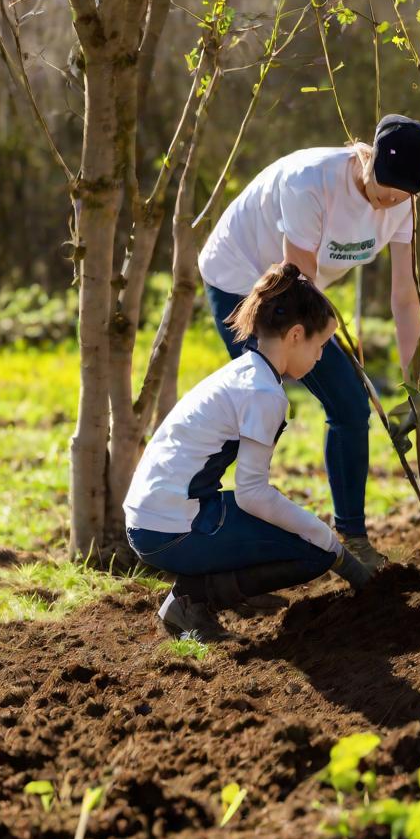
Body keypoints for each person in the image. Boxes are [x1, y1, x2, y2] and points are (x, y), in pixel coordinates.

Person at [198, 115, 420, 569]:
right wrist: (330, 339)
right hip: (243, 277)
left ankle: (352, 535)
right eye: (383, 189)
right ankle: (213, 545)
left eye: (401, 197)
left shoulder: (404, 202)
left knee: (349, 405)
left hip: (301, 291)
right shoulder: (312, 181)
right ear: (368, 162)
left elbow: (405, 297)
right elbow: (300, 288)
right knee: (259, 409)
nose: (388, 203)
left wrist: (414, 385)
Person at [125, 264, 376, 642]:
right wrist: (331, 544)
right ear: (295, 335)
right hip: (168, 528)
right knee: (313, 552)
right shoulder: (264, 394)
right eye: (320, 345)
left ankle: (216, 585)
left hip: (156, 516)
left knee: (295, 533)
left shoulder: (246, 372)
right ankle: (193, 599)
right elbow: (253, 494)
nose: (321, 357)